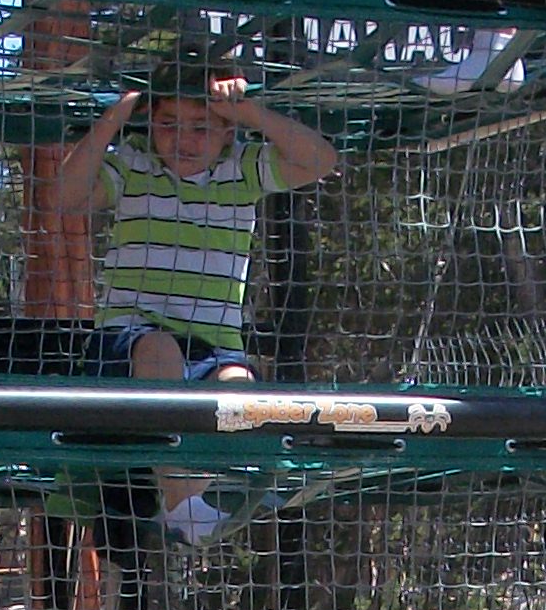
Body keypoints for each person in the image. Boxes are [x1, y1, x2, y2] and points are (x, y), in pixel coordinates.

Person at [47, 53, 339, 384]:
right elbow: (64, 198)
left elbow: (321, 160)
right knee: (161, 352)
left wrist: (249, 112)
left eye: (201, 127)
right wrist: (113, 118)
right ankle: (161, 420)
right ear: (151, 121)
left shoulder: (242, 168)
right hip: (132, 337)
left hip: (214, 347)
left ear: (228, 130)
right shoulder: (134, 161)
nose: (183, 140)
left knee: (238, 384)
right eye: (168, 123)